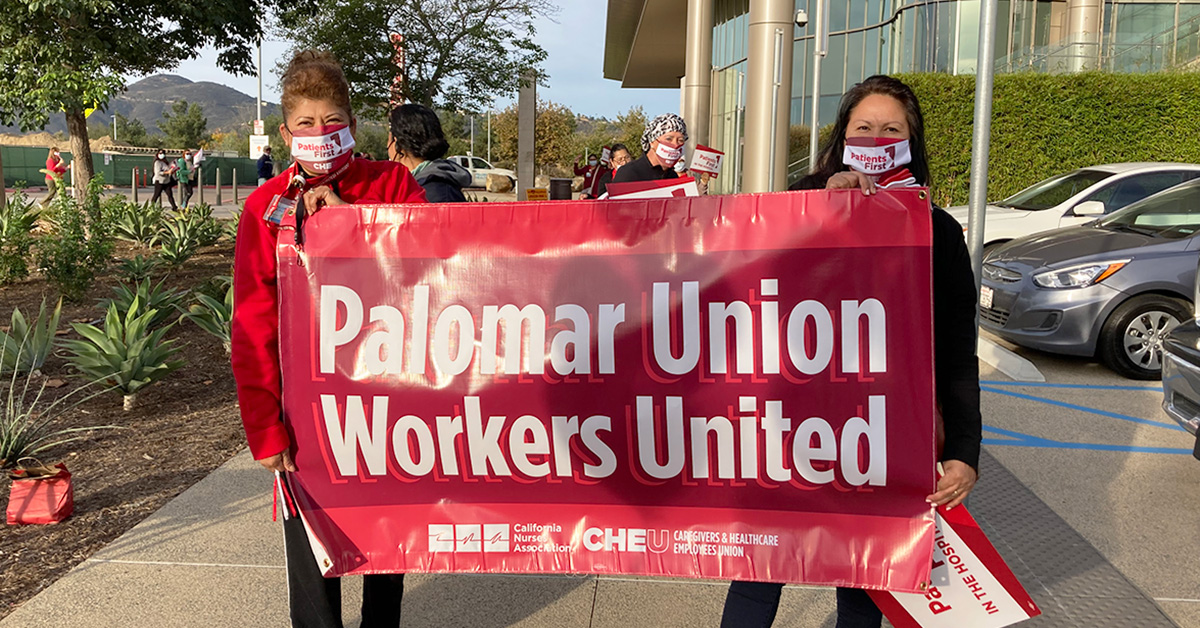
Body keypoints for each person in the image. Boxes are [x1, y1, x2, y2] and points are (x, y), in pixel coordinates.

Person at [718, 75, 982, 628]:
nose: (878, 138)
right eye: (865, 127)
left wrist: (963, 450)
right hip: (790, 428)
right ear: (843, 139)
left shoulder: (939, 231)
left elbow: (957, 351)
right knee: (761, 569)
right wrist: (819, 207)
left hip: (883, 434)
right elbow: (744, 293)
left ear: (913, 142)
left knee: (864, 580)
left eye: (892, 129)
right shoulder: (800, 208)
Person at [231, 49, 427, 628]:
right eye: (307, 123)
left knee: (385, 546)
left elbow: (432, 275)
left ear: (353, 125)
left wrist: (352, 225)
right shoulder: (265, 207)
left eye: (334, 121)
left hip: (391, 403)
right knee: (311, 558)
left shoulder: (391, 183)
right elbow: (253, 322)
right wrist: (264, 426)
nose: (321, 133)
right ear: (286, 131)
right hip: (306, 412)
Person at [387, 103, 471, 202]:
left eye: (388, 139)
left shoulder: (436, 194)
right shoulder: (424, 185)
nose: (387, 146)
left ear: (397, 143)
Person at [611, 113, 687, 184]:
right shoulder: (628, 173)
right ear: (652, 141)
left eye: (680, 140)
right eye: (668, 139)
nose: (675, 144)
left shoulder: (672, 176)